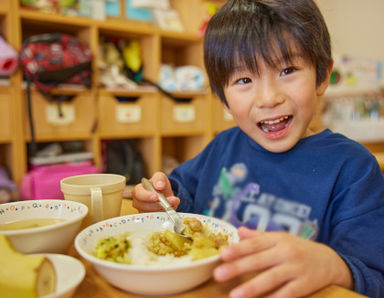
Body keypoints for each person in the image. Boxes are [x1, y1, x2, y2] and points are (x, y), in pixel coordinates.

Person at [132, 0, 384, 297]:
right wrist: (163, 196)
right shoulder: (223, 147)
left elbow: (374, 277)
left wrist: (333, 265)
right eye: (244, 79)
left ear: (322, 76)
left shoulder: (352, 168)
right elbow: (183, 194)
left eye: (287, 70)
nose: (268, 98)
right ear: (223, 98)